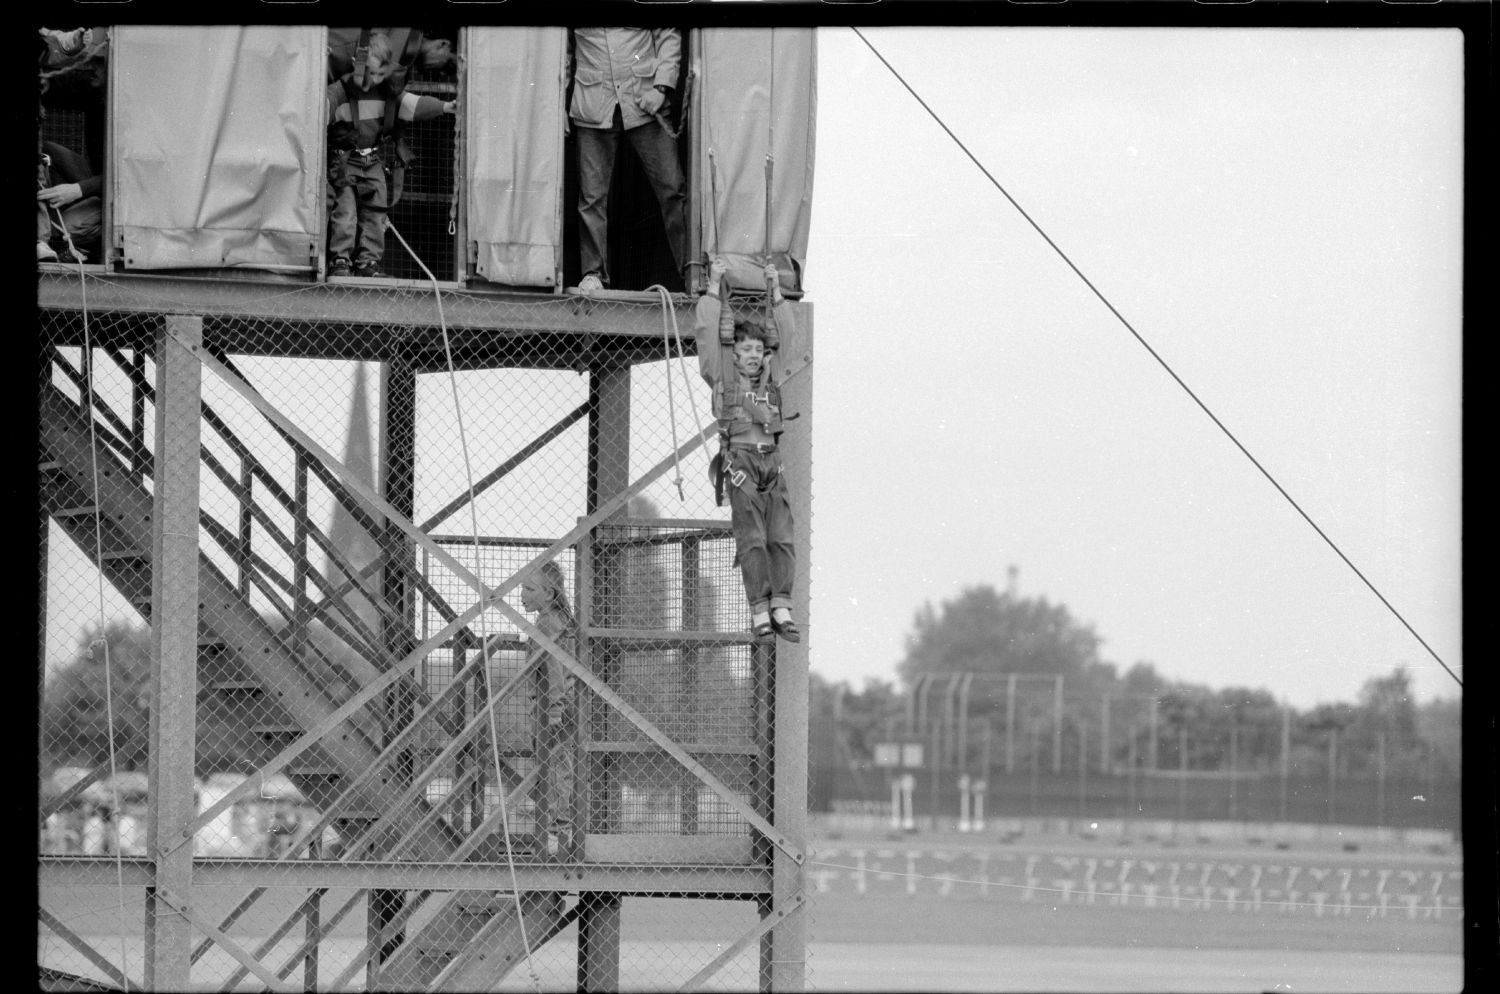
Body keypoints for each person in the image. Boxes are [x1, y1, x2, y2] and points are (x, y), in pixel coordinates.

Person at [695, 257, 801, 643]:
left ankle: (781, 605)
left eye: (758, 348)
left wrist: (776, 292)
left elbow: (787, 335)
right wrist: (714, 286)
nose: (754, 355)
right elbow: (707, 333)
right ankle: (759, 608)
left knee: (781, 536)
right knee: (752, 538)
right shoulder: (721, 375)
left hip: (771, 461)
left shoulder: (773, 375)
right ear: (735, 353)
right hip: (740, 460)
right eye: (746, 349)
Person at [567, 27, 688, 292]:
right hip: (592, 104)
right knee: (591, 197)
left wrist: (662, 87)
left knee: (672, 189)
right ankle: (593, 274)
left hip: (645, 100)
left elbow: (667, 32)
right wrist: (555, 107)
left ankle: (691, 272)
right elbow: (558, 47)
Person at [326, 32, 456, 278]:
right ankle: (340, 261)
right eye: (371, 73)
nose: (375, 80)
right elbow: (323, 106)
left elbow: (411, 105)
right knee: (346, 212)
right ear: (357, 63)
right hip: (344, 162)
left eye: (381, 75)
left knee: (377, 212)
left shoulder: (386, 93)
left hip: (372, 161)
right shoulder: (340, 91)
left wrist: (446, 106)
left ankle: (368, 262)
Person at [520, 560, 582, 858]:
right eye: (522, 588)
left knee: (553, 770)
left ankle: (558, 835)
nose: (522, 595)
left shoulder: (547, 623)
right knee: (557, 769)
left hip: (551, 708)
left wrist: (554, 710)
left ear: (548, 592)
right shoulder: (558, 620)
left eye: (529, 589)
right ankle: (559, 832)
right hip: (556, 706)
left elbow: (554, 670)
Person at [327, 27, 455, 87]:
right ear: (443, 44)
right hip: (323, 47)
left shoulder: (402, 68)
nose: (442, 72)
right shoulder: (405, 38)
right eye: (449, 65)